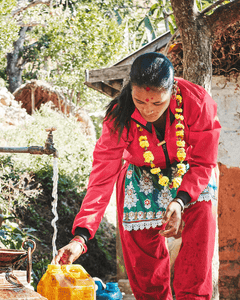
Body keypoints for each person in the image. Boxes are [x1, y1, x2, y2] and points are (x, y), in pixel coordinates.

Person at [54, 52, 220, 299]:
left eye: (157, 103)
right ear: (130, 90)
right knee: (145, 269)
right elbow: (102, 176)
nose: (148, 110)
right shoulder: (118, 115)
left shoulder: (197, 101)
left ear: (172, 88)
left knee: (198, 250)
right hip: (140, 176)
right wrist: (81, 235)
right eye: (140, 102)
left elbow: (205, 160)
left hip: (191, 174)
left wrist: (181, 200)